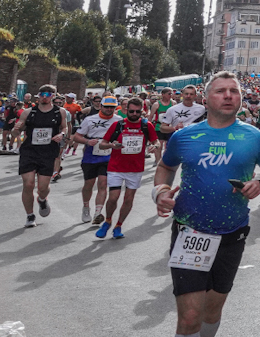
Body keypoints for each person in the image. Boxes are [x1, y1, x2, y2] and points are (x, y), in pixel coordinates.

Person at [152, 72, 260, 337]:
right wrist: (160, 191)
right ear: (206, 98)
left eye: (234, 92)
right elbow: (165, 167)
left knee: (212, 311)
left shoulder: (254, 137)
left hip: (233, 233)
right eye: (221, 91)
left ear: (241, 99)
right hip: (190, 231)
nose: (228, 96)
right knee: (190, 316)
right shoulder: (184, 136)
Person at [97, 95, 161, 239]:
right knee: (113, 197)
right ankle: (107, 221)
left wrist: (153, 146)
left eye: (137, 112)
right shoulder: (118, 125)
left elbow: (156, 142)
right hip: (116, 167)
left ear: (142, 111)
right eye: (131, 111)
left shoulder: (146, 125)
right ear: (126, 110)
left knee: (128, 199)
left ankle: (118, 225)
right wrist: (112, 145)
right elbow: (102, 143)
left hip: (135, 168)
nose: (134, 114)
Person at [14, 87, 68, 227]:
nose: (44, 97)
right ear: (38, 96)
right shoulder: (28, 112)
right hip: (29, 151)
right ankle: (30, 215)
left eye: (47, 95)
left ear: (53, 96)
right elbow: (15, 134)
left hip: (48, 151)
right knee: (28, 184)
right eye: (42, 95)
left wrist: (61, 135)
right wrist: (15, 129)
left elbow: (64, 128)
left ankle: (42, 199)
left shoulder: (59, 112)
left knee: (43, 187)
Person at [72, 95, 118, 225]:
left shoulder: (119, 120)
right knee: (89, 184)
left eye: (112, 108)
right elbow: (76, 137)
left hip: (109, 154)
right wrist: (87, 141)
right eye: (107, 107)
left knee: (103, 183)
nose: (109, 110)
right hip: (91, 154)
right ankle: (86, 207)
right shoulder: (90, 119)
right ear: (101, 106)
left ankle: (98, 213)